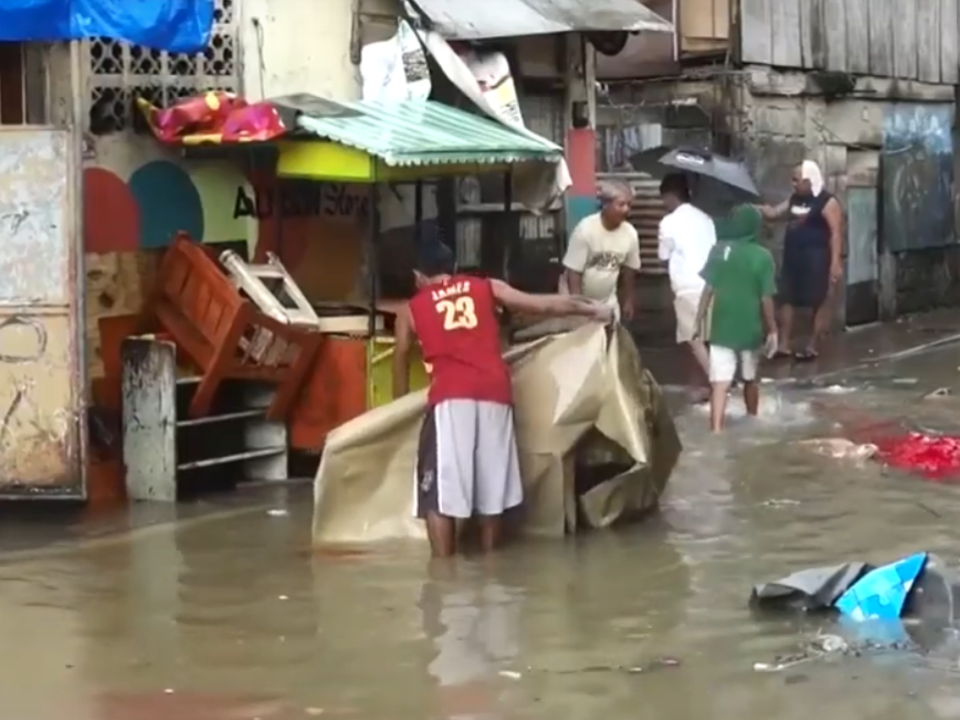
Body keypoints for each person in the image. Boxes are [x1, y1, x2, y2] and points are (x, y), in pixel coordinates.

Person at [392, 253, 612, 558]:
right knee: (492, 486)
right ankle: (491, 566)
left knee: (440, 495)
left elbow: (400, 356)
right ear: (454, 268)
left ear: (418, 276)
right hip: (496, 392)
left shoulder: (411, 309)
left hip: (451, 396)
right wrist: (592, 309)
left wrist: (398, 406)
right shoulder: (487, 286)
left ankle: (443, 573)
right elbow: (543, 305)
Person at [694, 204, 778, 433]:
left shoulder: (718, 251)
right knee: (750, 378)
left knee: (719, 382)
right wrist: (773, 330)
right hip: (750, 327)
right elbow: (766, 298)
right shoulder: (763, 257)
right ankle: (752, 419)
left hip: (721, 325)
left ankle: (716, 430)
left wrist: (698, 320)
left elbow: (708, 289)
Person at [757, 160, 844, 361]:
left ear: (809, 180)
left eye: (797, 180)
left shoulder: (827, 202)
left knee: (819, 300)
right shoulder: (794, 199)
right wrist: (759, 209)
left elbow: (835, 232)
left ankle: (812, 345)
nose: (793, 184)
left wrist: (835, 262)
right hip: (793, 257)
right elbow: (775, 214)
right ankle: (784, 344)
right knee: (786, 299)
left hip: (817, 258)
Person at [657, 172, 716, 400]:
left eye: (663, 199)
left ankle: (718, 382)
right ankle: (704, 387)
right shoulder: (706, 218)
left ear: (671, 196)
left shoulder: (669, 222)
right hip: (709, 283)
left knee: (693, 339)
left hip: (686, 285)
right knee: (705, 337)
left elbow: (663, 255)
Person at [560, 180, 641, 321]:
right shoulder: (585, 230)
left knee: (611, 340)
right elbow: (574, 273)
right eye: (621, 204)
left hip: (608, 303)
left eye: (629, 205)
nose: (626, 209)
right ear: (605, 205)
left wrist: (628, 300)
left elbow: (630, 270)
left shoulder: (630, 234)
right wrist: (577, 307)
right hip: (583, 302)